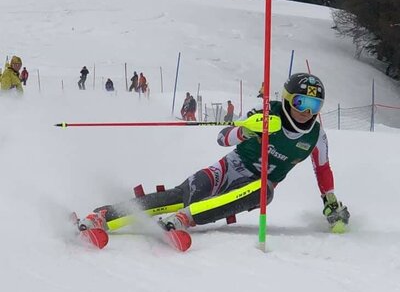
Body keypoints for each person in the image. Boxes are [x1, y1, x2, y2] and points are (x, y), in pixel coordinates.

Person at [77, 73, 350, 237]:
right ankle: (104, 215)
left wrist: (331, 201)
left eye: (315, 104)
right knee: (183, 195)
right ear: (289, 99)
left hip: (255, 186)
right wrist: (247, 131)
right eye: (302, 102)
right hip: (228, 169)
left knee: (265, 192)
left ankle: (187, 218)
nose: (307, 111)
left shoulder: (316, 135)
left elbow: (323, 170)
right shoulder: (266, 111)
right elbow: (222, 138)